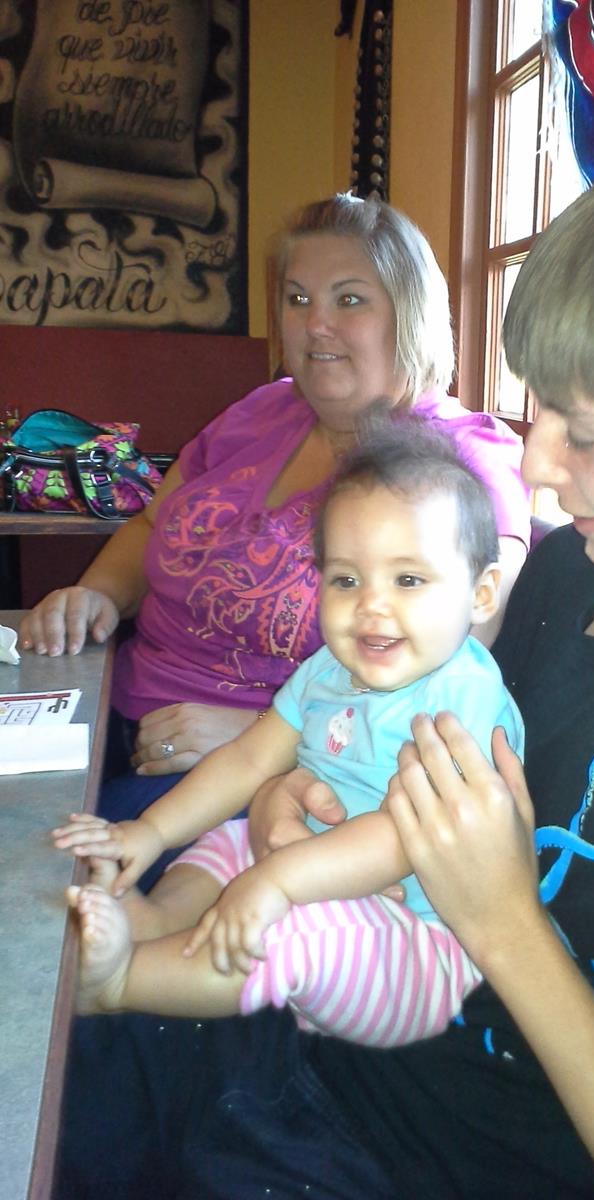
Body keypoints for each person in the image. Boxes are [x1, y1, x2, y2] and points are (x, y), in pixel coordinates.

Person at [53, 133, 594, 1200]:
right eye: (540, 411)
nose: (535, 461)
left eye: (584, 435)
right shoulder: (575, 573)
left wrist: (503, 924)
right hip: (304, 1021)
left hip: (415, 1160)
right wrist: (284, 800)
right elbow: (372, 727)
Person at [20, 194, 530, 862]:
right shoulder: (260, 411)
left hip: (267, 778)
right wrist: (96, 595)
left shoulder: (463, 462)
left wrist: (264, 731)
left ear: (411, 315)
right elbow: (150, 522)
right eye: (297, 299)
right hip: (107, 704)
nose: (316, 324)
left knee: (43, 875)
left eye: (350, 299)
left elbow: (448, 663)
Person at [54, 421, 524, 1048]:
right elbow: (250, 760)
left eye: (408, 580)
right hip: (310, 867)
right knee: (225, 846)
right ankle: (158, 922)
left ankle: (120, 984)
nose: (371, 606)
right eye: (346, 580)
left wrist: (279, 881)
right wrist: (153, 831)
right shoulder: (327, 671)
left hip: (416, 943)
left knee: (293, 931)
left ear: (482, 593)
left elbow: (407, 839)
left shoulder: (462, 698)